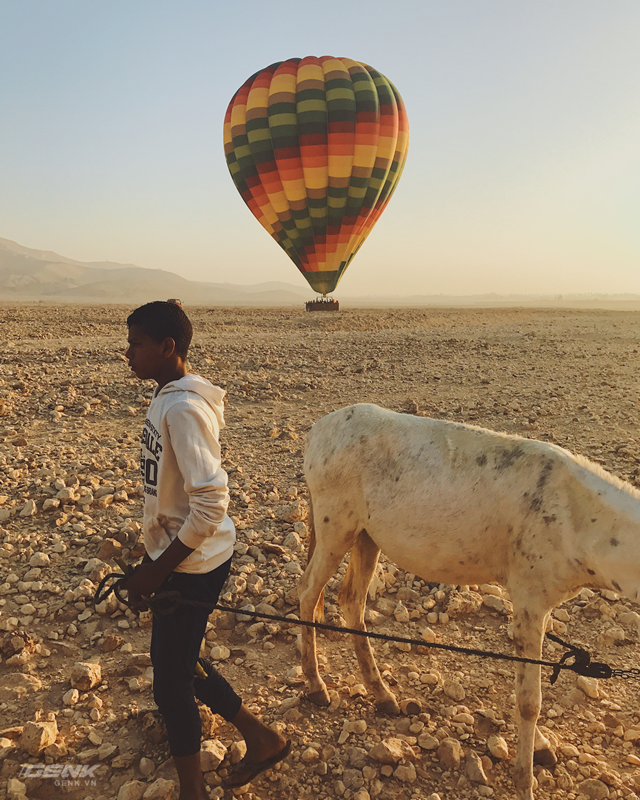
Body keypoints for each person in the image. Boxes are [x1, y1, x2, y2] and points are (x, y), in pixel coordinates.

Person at [121, 301, 290, 799]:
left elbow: (212, 502)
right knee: (180, 660)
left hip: (194, 563)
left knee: (170, 683)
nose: (127, 353)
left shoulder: (184, 407)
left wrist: (157, 572)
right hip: (179, 556)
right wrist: (151, 562)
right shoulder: (168, 395)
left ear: (167, 347)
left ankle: (193, 791)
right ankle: (262, 737)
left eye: (136, 344)